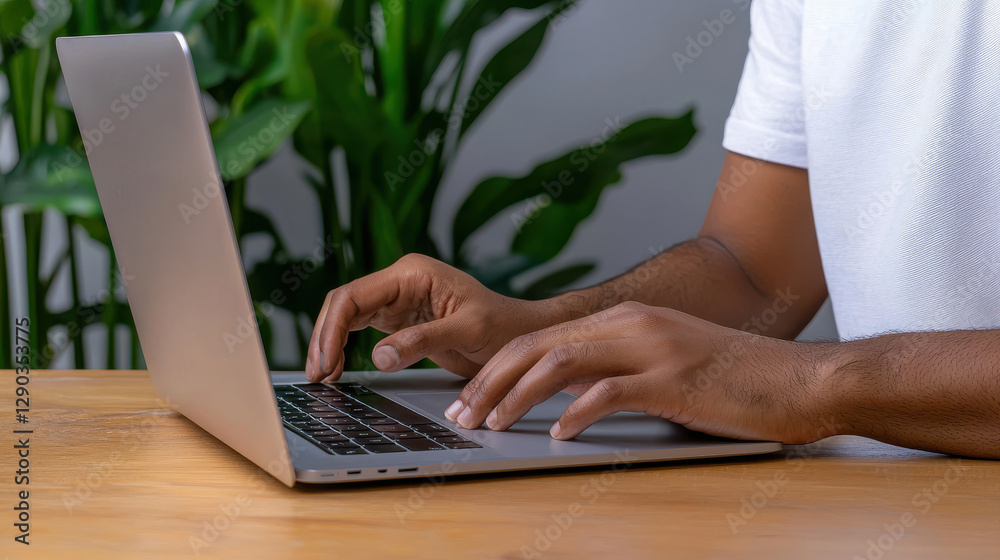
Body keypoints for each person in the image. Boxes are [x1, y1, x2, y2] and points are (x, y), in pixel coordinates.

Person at [304, 1, 1000, 459]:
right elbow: (754, 268)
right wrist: (540, 331)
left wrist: (808, 385)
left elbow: (793, 370)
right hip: (873, 505)